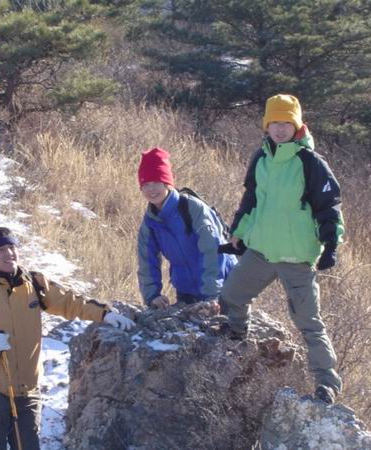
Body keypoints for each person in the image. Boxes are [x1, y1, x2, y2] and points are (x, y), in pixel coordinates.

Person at [0, 227, 134, 450]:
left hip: (27, 390)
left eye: (11, 247)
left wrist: (105, 314)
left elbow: (70, 302)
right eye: (0, 250)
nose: (9, 253)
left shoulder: (35, 283)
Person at [221, 94, 345, 405]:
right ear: (266, 125)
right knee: (232, 295)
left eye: (286, 122)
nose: (279, 128)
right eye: (274, 122)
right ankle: (237, 336)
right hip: (261, 251)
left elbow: (329, 207)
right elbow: (251, 200)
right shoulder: (261, 158)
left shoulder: (310, 162)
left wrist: (330, 244)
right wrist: (239, 234)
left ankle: (326, 383)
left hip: (296, 257)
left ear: (297, 125)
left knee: (308, 322)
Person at [137, 147, 237, 312]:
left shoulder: (192, 208)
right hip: (186, 292)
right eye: (145, 184)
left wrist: (212, 294)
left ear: (167, 183)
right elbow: (147, 261)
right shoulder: (150, 222)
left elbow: (212, 250)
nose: (151, 189)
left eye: (156, 182)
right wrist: (152, 295)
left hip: (224, 286)